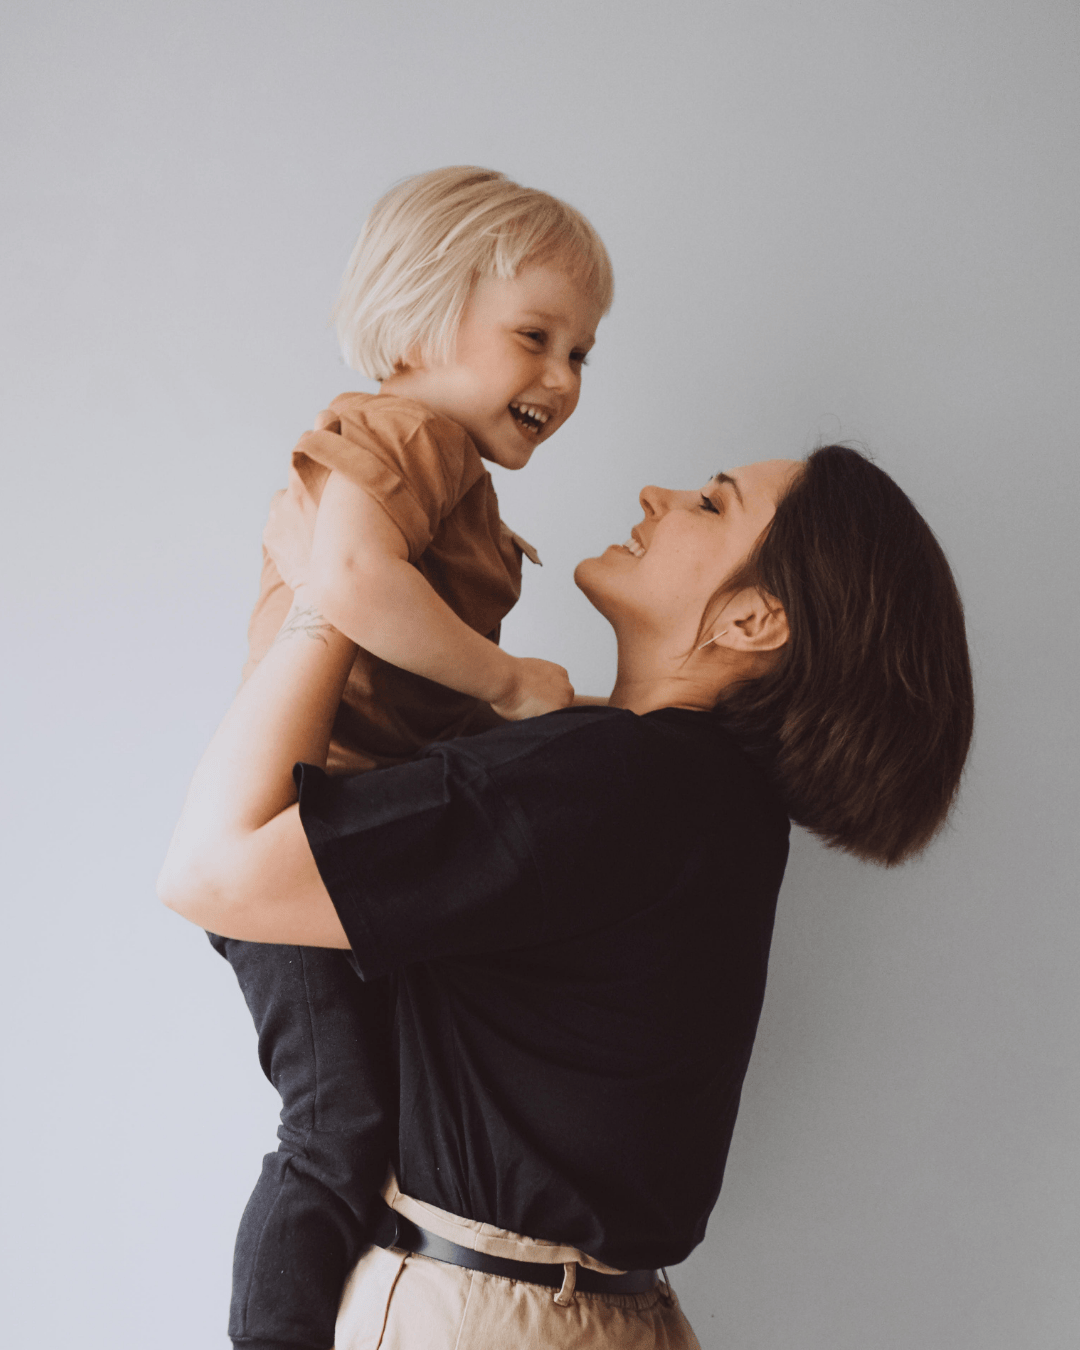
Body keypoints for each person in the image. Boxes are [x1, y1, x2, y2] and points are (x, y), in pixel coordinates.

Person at [160, 443, 974, 1348]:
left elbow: (209, 874)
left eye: (711, 504)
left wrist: (331, 588)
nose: (657, 493)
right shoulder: (717, 804)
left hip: (484, 1321)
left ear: (751, 618)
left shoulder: (607, 781)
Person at [207, 165, 613, 1350]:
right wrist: (505, 681)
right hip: (301, 833)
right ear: (425, 314)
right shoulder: (404, 434)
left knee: (384, 1134)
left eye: (584, 353)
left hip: (353, 837)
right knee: (335, 1129)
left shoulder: (455, 474)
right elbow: (344, 585)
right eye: (535, 337)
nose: (562, 378)